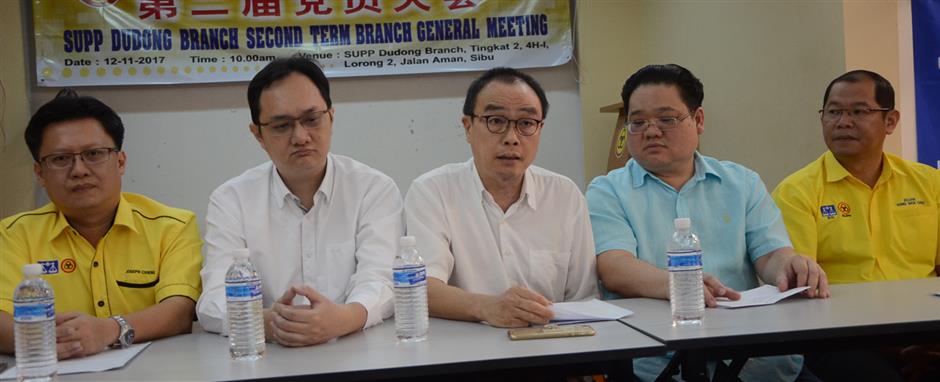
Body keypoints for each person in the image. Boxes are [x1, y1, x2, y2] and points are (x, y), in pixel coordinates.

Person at [586, 64, 828, 381]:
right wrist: (682, 287)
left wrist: (789, 266)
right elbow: (614, 266)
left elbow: (769, 254)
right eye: (638, 122)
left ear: (698, 120)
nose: (651, 131)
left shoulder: (741, 182)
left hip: (751, 356)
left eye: (667, 119)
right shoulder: (607, 190)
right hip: (656, 360)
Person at [196, 56, 402, 346]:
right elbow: (213, 300)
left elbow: (381, 280)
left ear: (331, 117)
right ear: (258, 134)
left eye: (311, 119)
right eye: (281, 126)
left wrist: (342, 319)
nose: (301, 136)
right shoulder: (231, 200)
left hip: (358, 353)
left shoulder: (373, 189)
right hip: (267, 357)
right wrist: (268, 322)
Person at [0, 90, 202, 359]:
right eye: (61, 159)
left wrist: (109, 330)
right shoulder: (14, 235)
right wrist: (65, 342)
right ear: (40, 174)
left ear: (120, 162)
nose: (79, 170)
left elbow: (179, 311)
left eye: (94, 154)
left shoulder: (172, 227)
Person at [773, 70, 940, 382]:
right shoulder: (797, 192)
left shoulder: (930, 184)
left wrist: (928, 341)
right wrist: (894, 347)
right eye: (834, 112)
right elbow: (798, 295)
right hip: (840, 338)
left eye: (859, 112)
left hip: (926, 332)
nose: (843, 122)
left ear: (891, 121)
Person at [404, 67, 598, 328]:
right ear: (468, 127)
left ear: (540, 129)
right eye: (496, 121)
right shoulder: (432, 191)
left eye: (526, 124)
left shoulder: (565, 195)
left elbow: (583, 299)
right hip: (464, 357)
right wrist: (487, 307)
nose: (511, 139)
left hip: (550, 352)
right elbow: (421, 288)